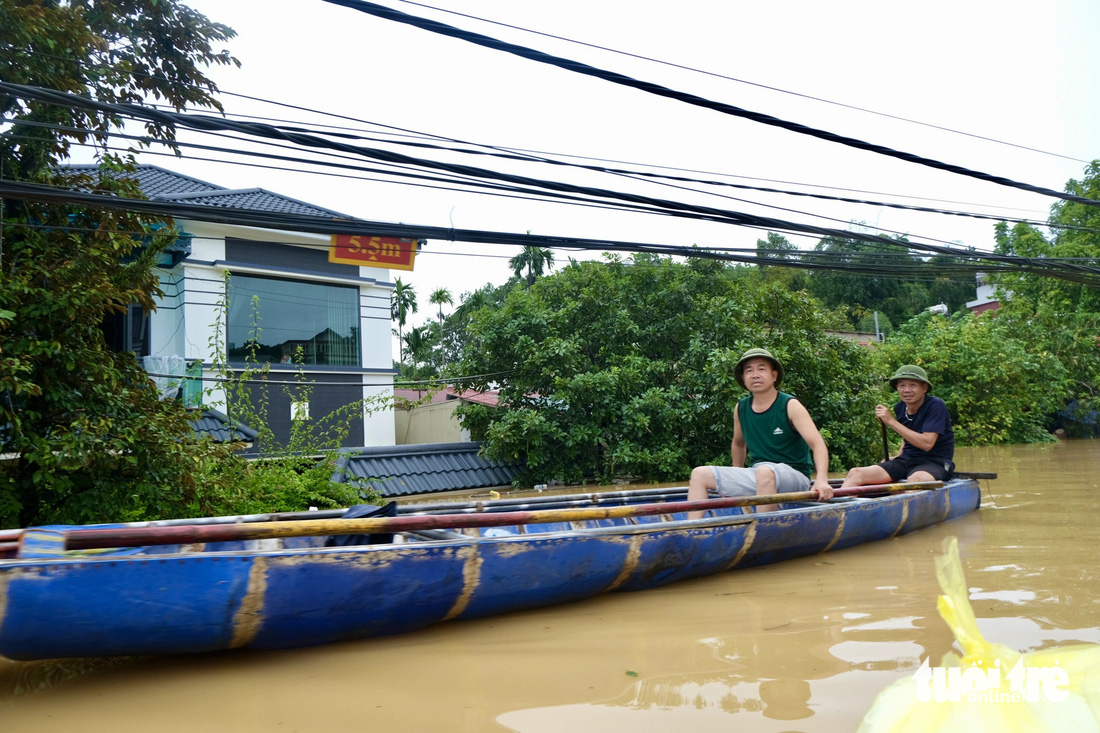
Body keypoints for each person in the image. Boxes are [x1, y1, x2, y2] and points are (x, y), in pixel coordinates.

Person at [687, 348, 832, 518]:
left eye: (761, 369)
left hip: (795, 476)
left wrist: (822, 479)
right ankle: (691, 532)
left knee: (764, 471)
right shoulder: (741, 407)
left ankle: (765, 533)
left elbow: (817, 444)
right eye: (749, 370)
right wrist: (736, 474)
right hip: (758, 474)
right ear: (743, 378)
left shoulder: (790, 405)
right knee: (699, 474)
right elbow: (738, 443)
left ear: (774, 375)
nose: (755, 374)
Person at [841, 365, 955, 488]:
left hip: (935, 462)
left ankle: (903, 505)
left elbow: (926, 444)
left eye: (912, 385)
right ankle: (842, 506)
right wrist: (898, 457)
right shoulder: (900, 407)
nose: (906, 390)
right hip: (907, 460)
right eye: (901, 385)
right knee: (855, 473)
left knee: (916, 480)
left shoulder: (936, 406)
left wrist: (891, 421)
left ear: (924, 388)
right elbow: (906, 437)